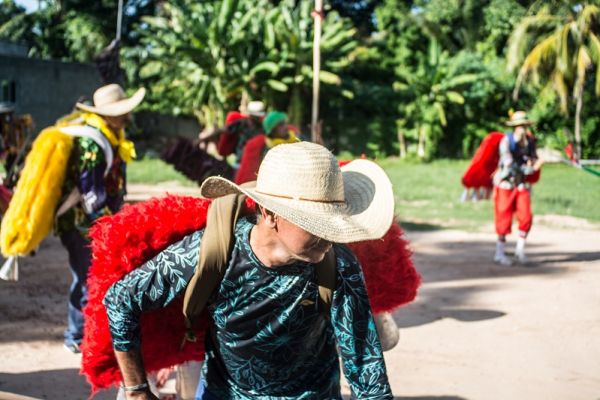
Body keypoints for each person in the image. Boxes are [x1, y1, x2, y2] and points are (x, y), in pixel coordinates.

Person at [103, 142, 394, 399]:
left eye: (333, 223)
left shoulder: (338, 264)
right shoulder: (213, 252)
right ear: (270, 214)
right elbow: (121, 299)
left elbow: (364, 362)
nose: (329, 236)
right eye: (315, 223)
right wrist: (137, 389)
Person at [56, 83, 145, 353]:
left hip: (92, 222)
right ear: (107, 115)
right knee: (87, 280)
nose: (127, 117)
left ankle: (85, 336)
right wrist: (111, 226)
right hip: (82, 223)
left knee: (90, 279)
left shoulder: (111, 136)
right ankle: (77, 337)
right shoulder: (91, 142)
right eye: (122, 112)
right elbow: (91, 194)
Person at [492, 111, 543, 266]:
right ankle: (499, 253)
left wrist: (536, 162)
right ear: (515, 127)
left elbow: (533, 158)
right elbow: (510, 164)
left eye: (524, 125)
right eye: (520, 126)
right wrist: (531, 168)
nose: (523, 129)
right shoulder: (506, 142)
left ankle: (520, 250)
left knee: (526, 216)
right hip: (505, 183)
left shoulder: (530, 142)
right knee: (503, 218)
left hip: (521, 184)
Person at [235, 111, 299, 184]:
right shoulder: (265, 147)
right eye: (280, 125)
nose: (285, 127)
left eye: (284, 123)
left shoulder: (296, 140)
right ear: (273, 130)